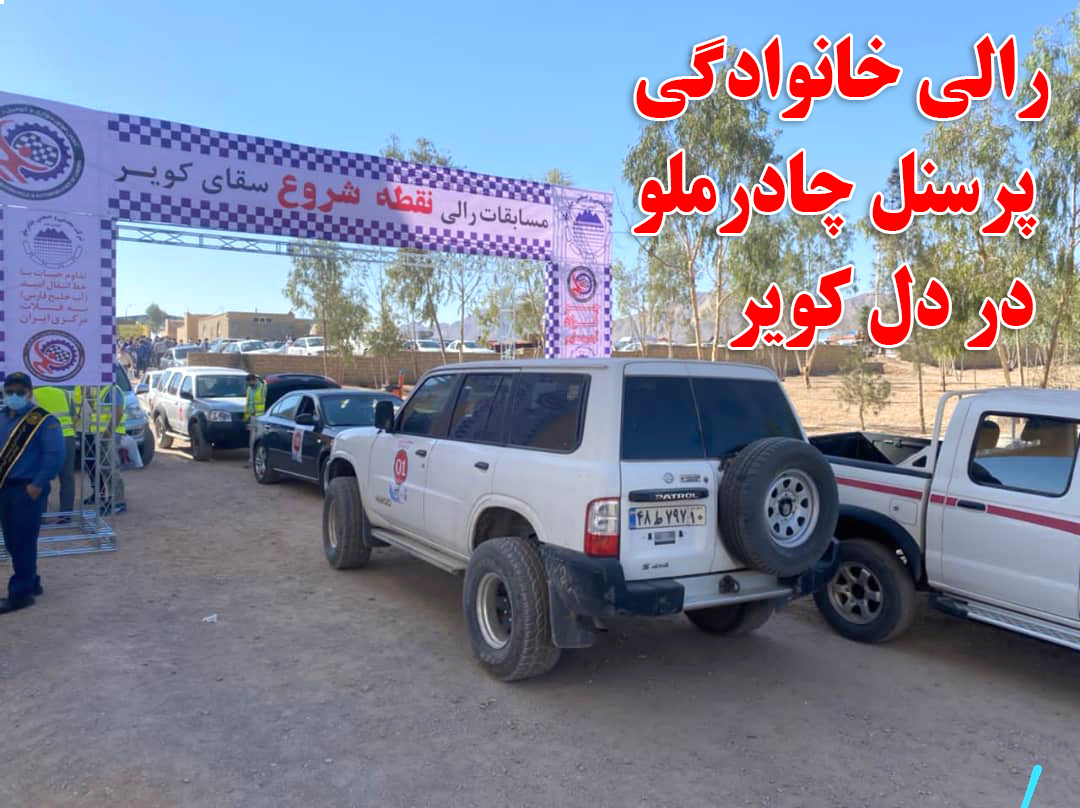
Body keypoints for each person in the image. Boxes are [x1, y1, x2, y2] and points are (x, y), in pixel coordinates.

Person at [0, 372, 64, 614]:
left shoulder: (43, 420)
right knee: (12, 539)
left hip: (28, 488)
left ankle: (20, 594)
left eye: (20, 392)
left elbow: (54, 455)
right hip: (5, 486)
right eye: (10, 392)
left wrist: (37, 484)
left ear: (29, 393)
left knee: (23, 540)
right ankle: (32, 581)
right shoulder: (2, 417)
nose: (14, 396)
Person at [33, 385, 76, 521]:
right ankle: (66, 515)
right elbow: (74, 417)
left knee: (41, 476)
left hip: (44, 439)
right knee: (67, 477)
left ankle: (41, 516)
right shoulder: (66, 393)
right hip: (67, 437)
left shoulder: (32, 394)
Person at [243, 373, 266, 467]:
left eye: (249, 382)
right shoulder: (249, 389)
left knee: (259, 439)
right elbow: (248, 404)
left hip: (261, 417)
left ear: (254, 380)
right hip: (252, 417)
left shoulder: (262, 388)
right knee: (252, 440)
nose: (248, 384)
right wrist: (246, 417)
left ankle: (260, 460)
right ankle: (252, 460)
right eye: (247, 383)